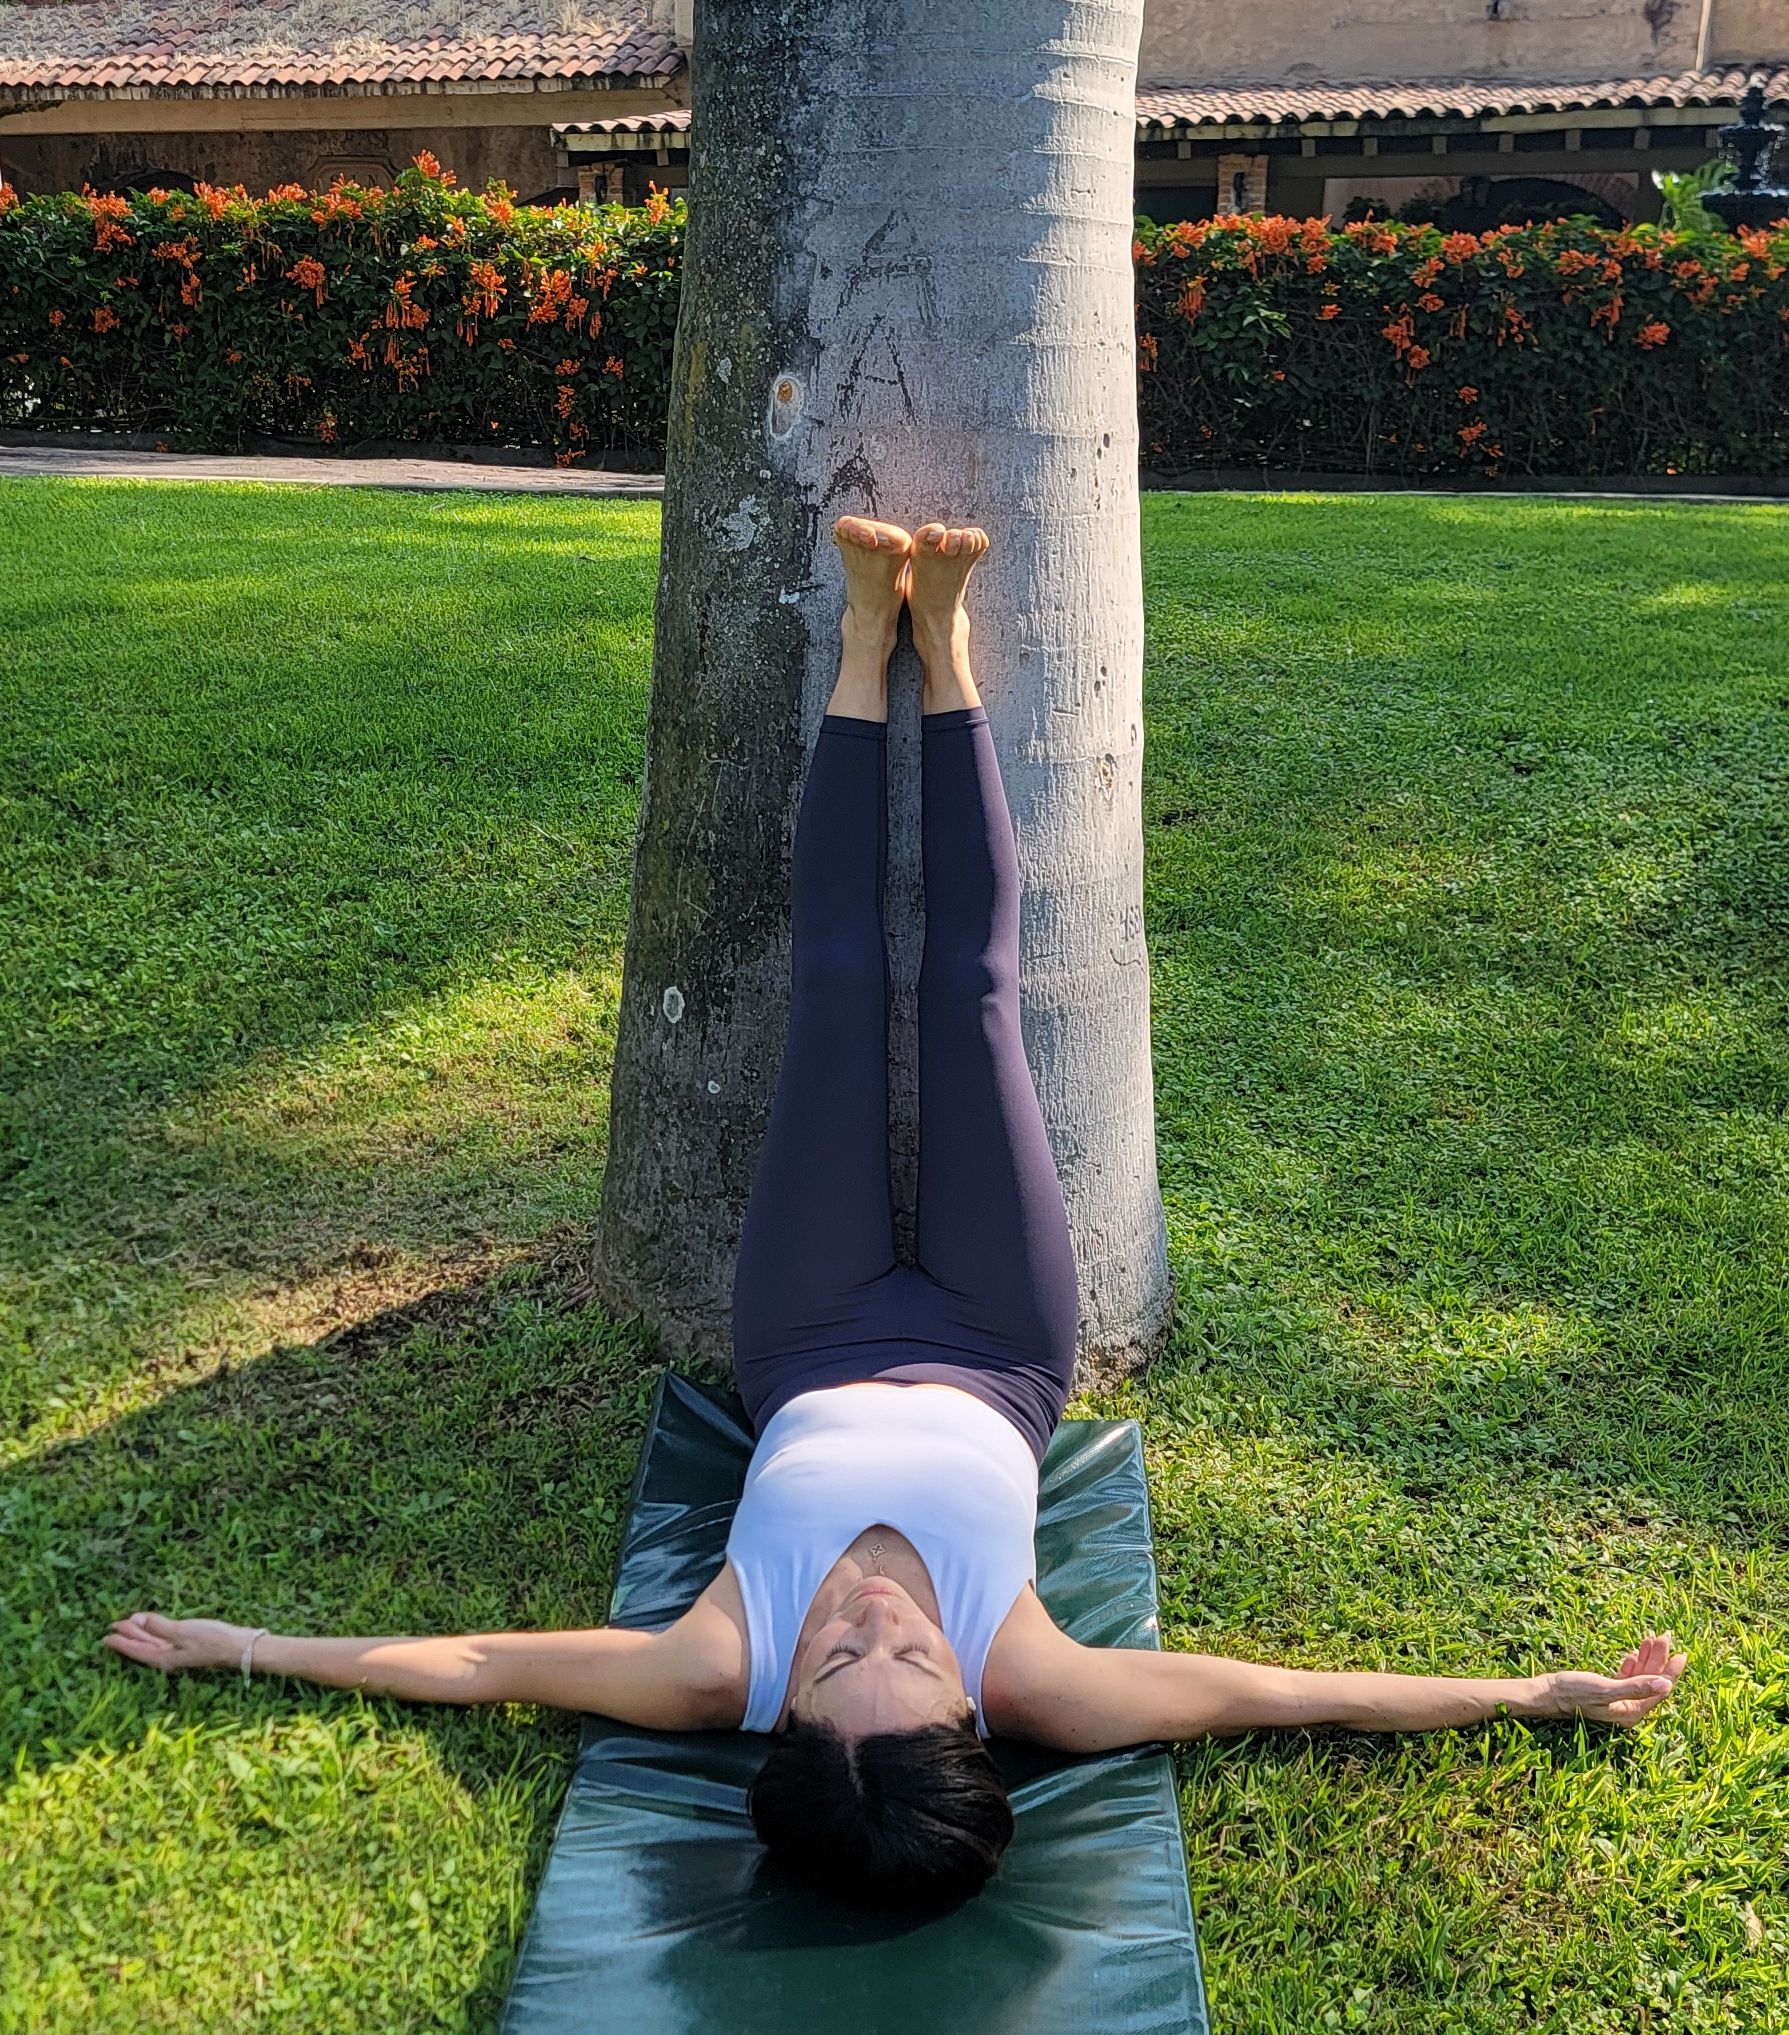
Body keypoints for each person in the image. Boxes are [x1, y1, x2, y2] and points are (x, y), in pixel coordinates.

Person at [106, 515, 1687, 1906]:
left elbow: (473, 1665)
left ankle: (875, 642)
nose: (865, 1619)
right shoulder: (1035, 1676)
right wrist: (1520, 1691)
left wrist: (249, 1647)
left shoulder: (710, 1663)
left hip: (805, 1332)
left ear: (778, 1716)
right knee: (976, 997)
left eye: (834, 1660)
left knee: (843, 993)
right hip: (1001, 1345)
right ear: (969, 1707)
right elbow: (1274, 1694)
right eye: (905, 1658)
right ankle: (957, 654)